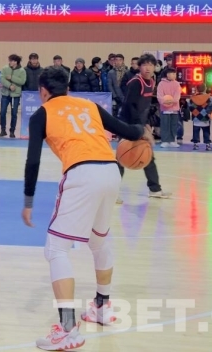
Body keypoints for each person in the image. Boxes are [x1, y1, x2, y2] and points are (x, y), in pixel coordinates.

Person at [21, 67, 154, 350]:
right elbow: (126, 130)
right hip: (111, 172)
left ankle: (68, 329)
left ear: (43, 92)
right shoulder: (88, 105)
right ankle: (102, 307)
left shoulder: (41, 114)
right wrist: (144, 132)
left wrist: (28, 200)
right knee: (99, 241)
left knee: (56, 249)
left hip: (82, 174)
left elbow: (33, 161)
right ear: (67, 88)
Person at [119, 54, 171, 199]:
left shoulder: (152, 81)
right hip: (126, 124)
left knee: (148, 156)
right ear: (139, 67)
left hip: (139, 123)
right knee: (121, 158)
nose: (147, 68)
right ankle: (112, 191)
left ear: (155, 67)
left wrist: (147, 124)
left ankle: (155, 189)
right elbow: (130, 106)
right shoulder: (136, 82)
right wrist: (140, 128)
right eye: (144, 65)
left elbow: (145, 107)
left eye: (150, 65)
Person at [0, 54, 26, 138]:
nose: (9, 62)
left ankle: (12, 131)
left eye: (11, 61)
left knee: (14, 114)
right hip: (5, 94)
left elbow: (22, 81)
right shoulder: (5, 68)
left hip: (15, 95)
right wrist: (9, 85)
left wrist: (12, 78)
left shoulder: (22, 71)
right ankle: (3, 130)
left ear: (15, 62)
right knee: (2, 112)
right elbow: (2, 78)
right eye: (9, 60)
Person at [156, 67, 181, 148]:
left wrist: (173, 101)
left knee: (173, 124)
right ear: (167, 74)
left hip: (174, 108)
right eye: (173, 74)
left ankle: (172, 140)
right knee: (165, 124)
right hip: (164, 108)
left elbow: (177, 96)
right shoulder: (161, 84)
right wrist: (164, 102)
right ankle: (165, 140)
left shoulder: (177, 84)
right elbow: (159, 96)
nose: (174, 75)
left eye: (175, 74)